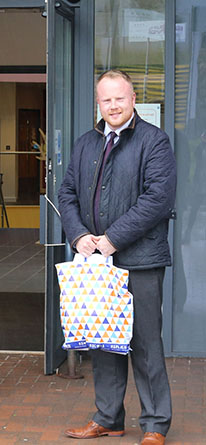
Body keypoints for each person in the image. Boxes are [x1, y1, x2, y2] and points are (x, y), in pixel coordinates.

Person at [58, 70, 176, 445]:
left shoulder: (154, 142)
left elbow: (157, 200)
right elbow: (67, 194)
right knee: (104, 341)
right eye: (106, 100)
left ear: (133, 97)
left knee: (144, 344)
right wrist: (79, 236)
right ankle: (108, 418)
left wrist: (112, 239)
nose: (113, 105)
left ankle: (155, 424)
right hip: (95, 262)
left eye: (119, 98)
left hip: (140, 260)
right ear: (98, 102)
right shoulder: (85, 143)